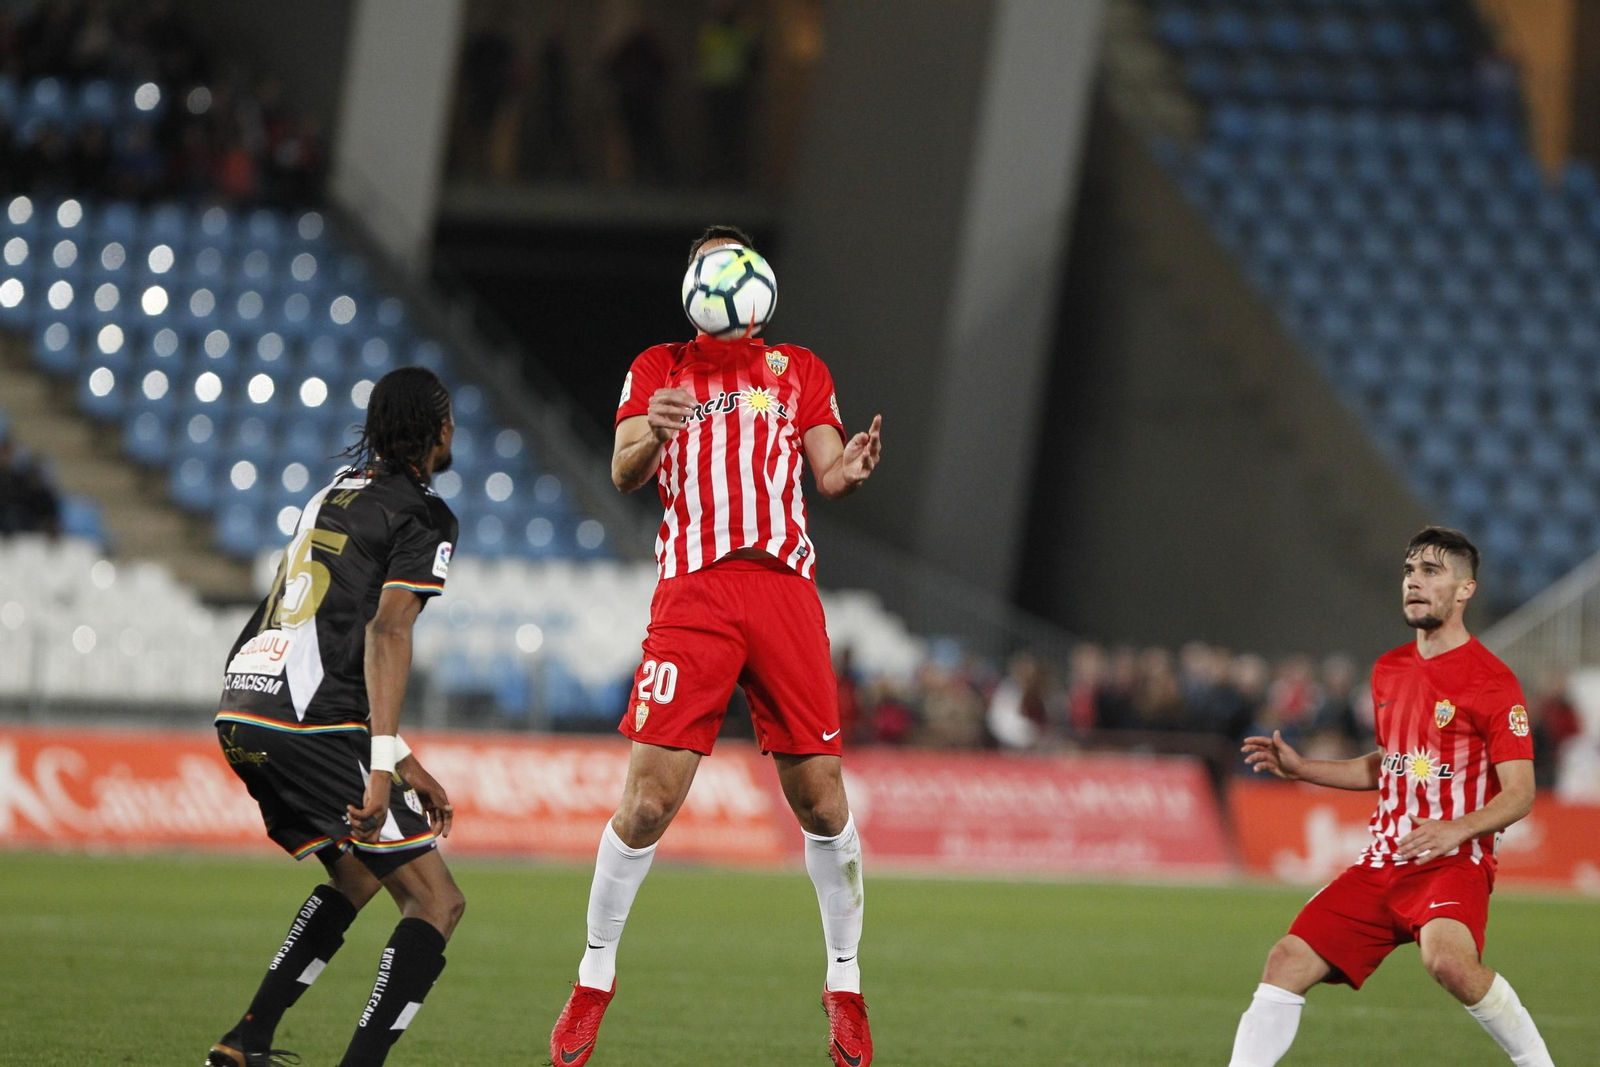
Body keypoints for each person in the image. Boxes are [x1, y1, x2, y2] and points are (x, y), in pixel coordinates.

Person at [549, 225, 883, 1067]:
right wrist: (655, 431)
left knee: (822, 800)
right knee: (648, 802)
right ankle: (593, 978)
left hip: (782, 589)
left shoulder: (798, 369)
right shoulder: (660, 367)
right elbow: (626, 468)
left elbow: (828, 468)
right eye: (712, 263)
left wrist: (847, 470)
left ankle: (844, 981)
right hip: (695, 592)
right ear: (698, 284)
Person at [205, 368, 466, 1067]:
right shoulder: (424, 513)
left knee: (358, 875)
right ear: (435, 428)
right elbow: (384, 633)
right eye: (448, 418)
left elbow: (333, 638)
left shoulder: (328, 494)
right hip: (310, 721)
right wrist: (383, 774)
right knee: (437, 902)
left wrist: (404, 762)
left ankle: (245, 1038)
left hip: (246, 703)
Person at [1228, 527, 1555, 1067]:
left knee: (1448, 963)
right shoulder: (1388, 670)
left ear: (1465, 589)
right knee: (1285, 960)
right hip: (1383, 860)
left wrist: (1457, 828)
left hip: (1452, 862)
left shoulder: (1493, 682)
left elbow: (1520, 793)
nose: (1414, 582)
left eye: (1431, 572)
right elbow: (1392, 766)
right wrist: (1303, 767)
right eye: (1409, 571)